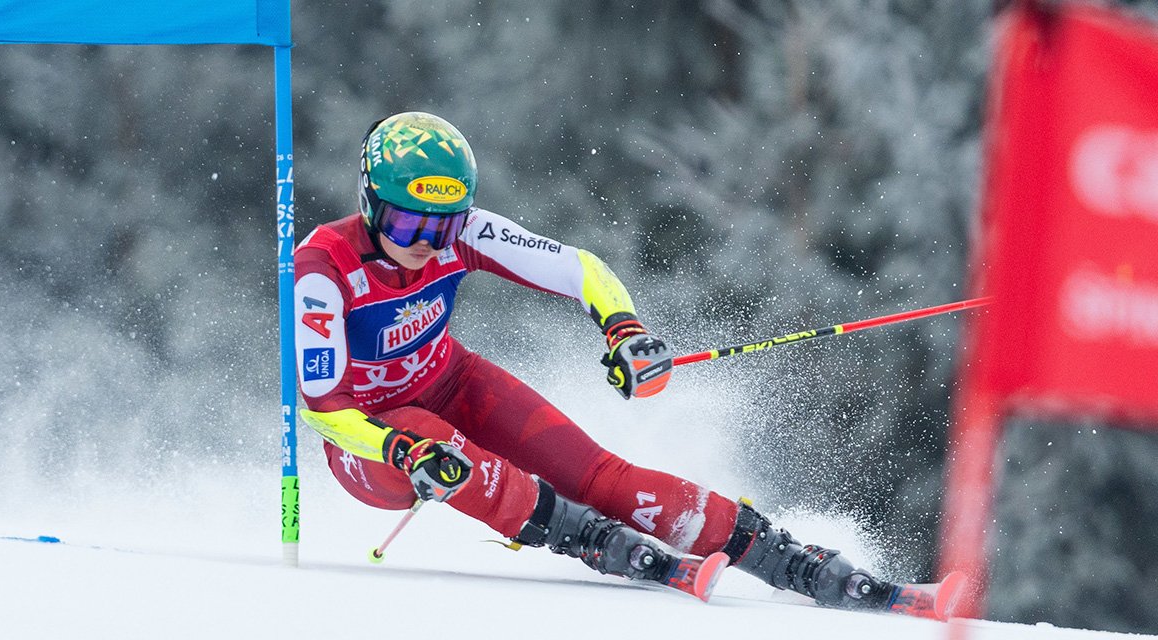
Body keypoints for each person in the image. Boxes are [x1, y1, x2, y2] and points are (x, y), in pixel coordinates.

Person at [294, 111, 903, 608]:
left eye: (444, 227)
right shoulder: (323, 267)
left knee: (598, 475)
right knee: (430, 440)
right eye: (408, 225)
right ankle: (579, 533)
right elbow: (323, 408)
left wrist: (624, 330)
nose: (428, 244)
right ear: (371, 204)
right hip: (367, 441)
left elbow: (578, 268)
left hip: (451, 382)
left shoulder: (466, 233)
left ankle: (783, 556)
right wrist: (399, 448)